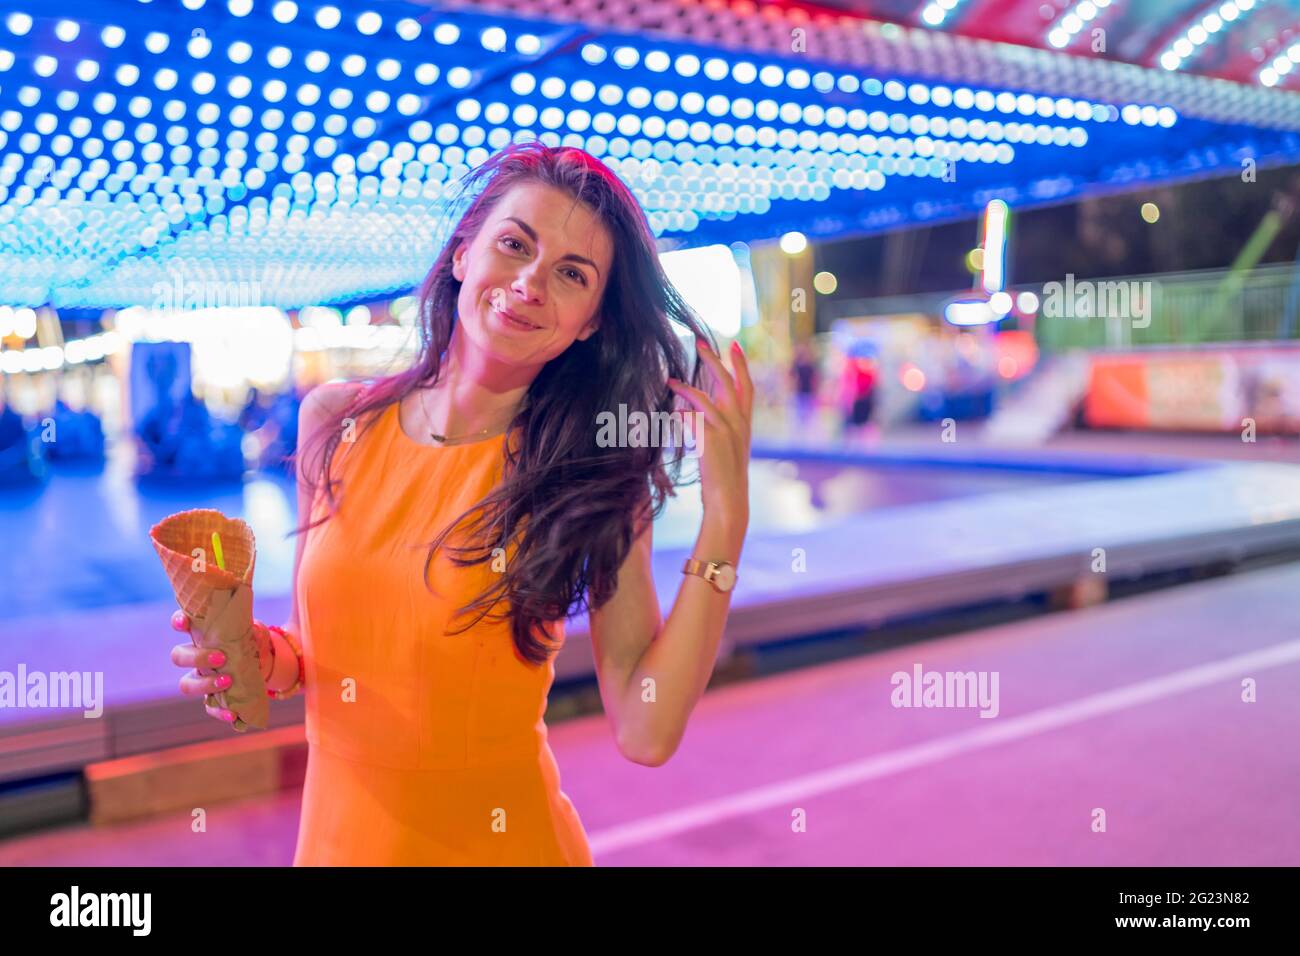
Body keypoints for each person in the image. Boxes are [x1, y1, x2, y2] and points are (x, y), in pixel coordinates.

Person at [167, 142, 754, 865]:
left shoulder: (589, 479)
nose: (531, 282)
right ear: (461, 256)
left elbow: (646, 730)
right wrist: (259, 658)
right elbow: (311, 651)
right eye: (514, 244)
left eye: (572, 275)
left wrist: (724, 526)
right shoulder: (336, 421)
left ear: (592, 322)